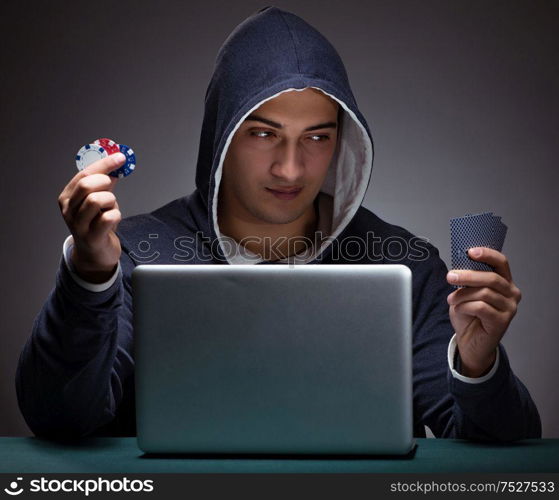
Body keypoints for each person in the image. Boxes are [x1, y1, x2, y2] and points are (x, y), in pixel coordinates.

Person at [16, 6, 541, 440]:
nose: (290, 169)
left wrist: (477, 366)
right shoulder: (132, 253)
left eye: (317, 137)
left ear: (344, 140)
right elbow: (61, 418)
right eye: (263, 134)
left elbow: (494, 455)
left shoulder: (405, 263)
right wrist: (89, 277)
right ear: (221, 136)